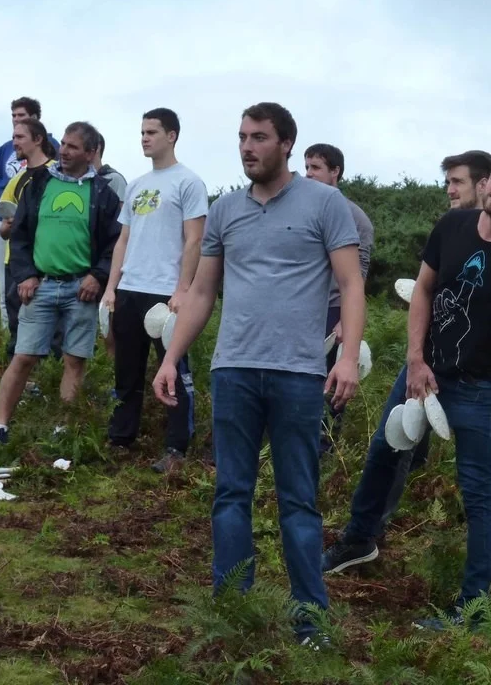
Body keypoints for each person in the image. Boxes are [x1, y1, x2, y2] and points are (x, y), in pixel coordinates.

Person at [321, 152, 491, 631]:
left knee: (478, 493)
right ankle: (358, 540)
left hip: (480, 386)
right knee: (383, 452)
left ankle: (472, 610)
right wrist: (415, 360)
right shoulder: (452, 226)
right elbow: (423, 290)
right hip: (423, 372)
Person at [152, 102, 365, 649]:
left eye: (260, 137)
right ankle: (233, 613)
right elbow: (203, 291)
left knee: (299, 501)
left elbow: (351, 283)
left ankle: (309, 622)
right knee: (230, 494)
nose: (247, 147)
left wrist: (346, 357)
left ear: (286, 143)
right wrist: (172, 357)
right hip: (234, 371)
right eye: (243, 137)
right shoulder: (225, 210)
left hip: (299, 373)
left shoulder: (325, 204)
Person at [377, 150, 491, 537]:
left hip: (483, 361)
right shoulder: (458, 227)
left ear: (480, 186)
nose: (450, 190)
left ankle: (487, 537)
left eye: (457, 182)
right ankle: (376, 526)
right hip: (436, 349)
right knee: (402, 432)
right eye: (447, 182)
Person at [0, 122, 121, 445]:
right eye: (63, 144)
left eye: (73, 147)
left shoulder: (103, 193)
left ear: (90, 152)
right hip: (41, 285)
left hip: (82, 289)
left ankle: (62, 430)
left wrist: (98, 276)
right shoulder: (38, 184)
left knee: (75, 360)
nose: (64, 151)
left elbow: (115, 243)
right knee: (23, 356)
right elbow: (19, 234)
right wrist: (25, 275)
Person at [103, 108, 207, 473]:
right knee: (126, 371)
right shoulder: (136, 184)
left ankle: (176, 448)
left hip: (166, 293)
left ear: (171, 135)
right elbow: (123, 240)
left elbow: (194, 240)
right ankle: (120, 440)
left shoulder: (189, 182)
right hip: (130, 288)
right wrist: (111, 287)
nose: (145, 138)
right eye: (142, 132)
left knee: (173, 369)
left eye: (152, 132)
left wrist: (183, 289)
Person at [303, 142, 374, 455]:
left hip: (333, 307)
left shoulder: (355, 218)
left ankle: (325, 447)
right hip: (301, 307)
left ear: (335, 172)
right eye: (306, 167)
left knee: (330, 380)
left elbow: (359, 274)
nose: (309, 174)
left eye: (316, 168)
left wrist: (347, 319)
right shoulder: (300, 208)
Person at [0, 97, 59, 331]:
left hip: (46, 251)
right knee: (9, 293)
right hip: (14, 247)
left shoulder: (55, 163)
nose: (15, 121)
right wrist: (0, 189)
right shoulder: (10, 158)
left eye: (21, 116)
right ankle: (9, 337)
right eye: (13, 116)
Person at [0, 118, 59, 361]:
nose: (14, 143)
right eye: (13, 137)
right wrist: (8, 227)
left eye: (20, 137)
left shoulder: (57, 173)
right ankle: (21, 381)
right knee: (17, 327)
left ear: (38, 139)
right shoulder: (17, 179)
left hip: (46, 262)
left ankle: (49, 379)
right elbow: (4, 229)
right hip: (15, 263)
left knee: (52, 330)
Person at [91, 131, 128, 361]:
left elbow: (122, 225)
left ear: (95, 149)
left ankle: (113, 370)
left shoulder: (114, 179)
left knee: (110, 323)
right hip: (88, 261)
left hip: (110, 260)